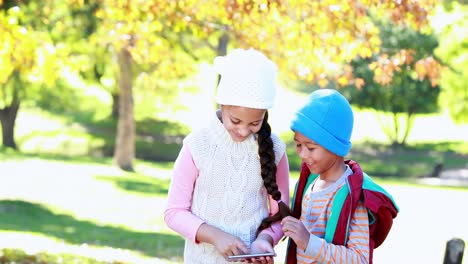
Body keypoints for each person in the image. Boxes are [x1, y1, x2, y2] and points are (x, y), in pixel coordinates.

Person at [164, 48, 291, 264]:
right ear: (221, 105)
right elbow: (174, 213)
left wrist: (266, 240)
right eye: (235, 121)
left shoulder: (275, 150)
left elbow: (281, 216)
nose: (242, 131)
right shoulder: (197, 145)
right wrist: (214, 235)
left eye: (254, 123)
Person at [281, 89, 399, 264]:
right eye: (298, 145)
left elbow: (360, 259)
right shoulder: (310, 184)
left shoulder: (352, 196)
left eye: (311, 148)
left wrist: (308, 241)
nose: (303, 154)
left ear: (335, 147)